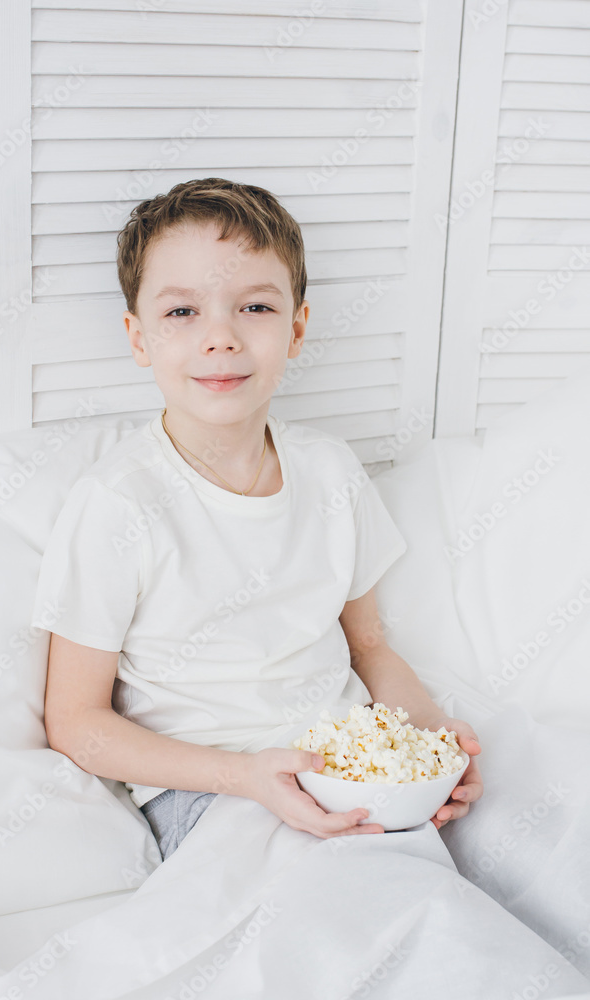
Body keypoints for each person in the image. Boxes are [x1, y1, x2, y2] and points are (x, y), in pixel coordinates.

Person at [30, 177, 483, 863]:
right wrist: (247, 777)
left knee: (454, 905)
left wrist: (428, 745)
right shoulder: (118, 503)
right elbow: (75, 721)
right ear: (138, 337)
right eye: (182, 313)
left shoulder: (330, 471)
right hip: (214, 794)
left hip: (351, 773)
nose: (220, 337)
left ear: (296, 327)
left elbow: (368, 649)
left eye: (255, 306)